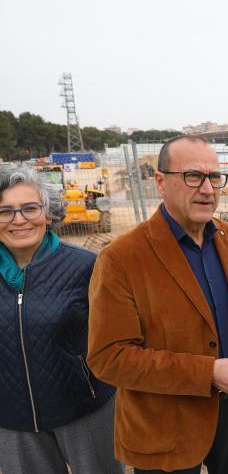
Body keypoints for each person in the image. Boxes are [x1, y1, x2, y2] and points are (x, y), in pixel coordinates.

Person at [87, 136, 228, 474]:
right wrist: (206, 374)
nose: (207, 189)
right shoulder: (121, 258)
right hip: (163, 425)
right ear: (160, 181)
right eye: (193, 176)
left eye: (215, 177)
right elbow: (109, 357)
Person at [0, 166, 121, 474]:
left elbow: (117, 337)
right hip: (12, 420)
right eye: (5, 211)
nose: (18, 219)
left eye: (30, 208)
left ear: (49, 214)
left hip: (85, 410)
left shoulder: (86, 267)